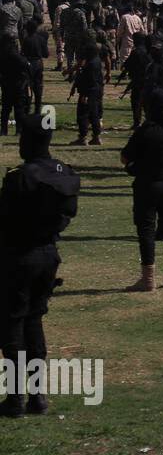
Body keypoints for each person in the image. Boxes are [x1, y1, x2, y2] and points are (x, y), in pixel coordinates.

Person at [0, 112, 79, 417]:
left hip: (19, 254)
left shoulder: (20, 177)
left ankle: (16, 398)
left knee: (12, 326)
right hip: (48, 253)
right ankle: (37, 396)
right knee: (34, 322)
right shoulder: (65, 174)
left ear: (29, 140)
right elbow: (68, 214)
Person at [121, 89, 163, 292]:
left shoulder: (145, 131)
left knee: (146, 230)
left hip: (147, 184)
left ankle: (148, 278)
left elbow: (125, 158)